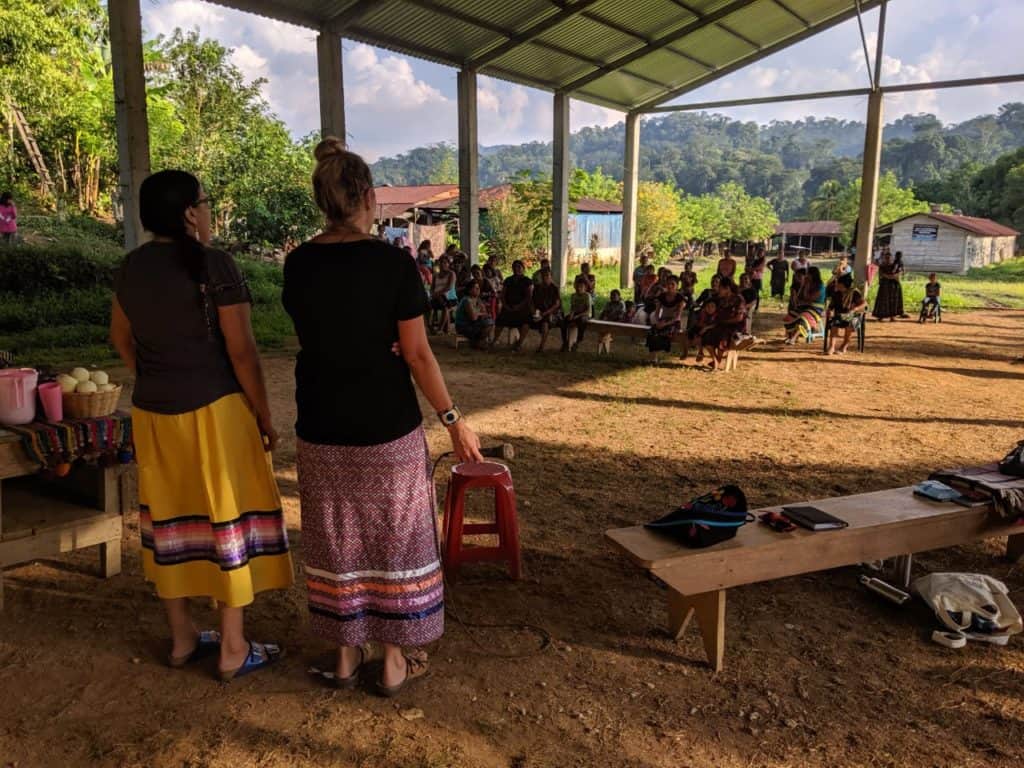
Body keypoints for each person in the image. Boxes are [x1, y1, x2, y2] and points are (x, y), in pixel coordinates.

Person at [283, 139, 483, 697]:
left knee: (335, 539)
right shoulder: (393, 263)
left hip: (320, 422)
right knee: (395, 538)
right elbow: (417, 353)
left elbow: (319, 335)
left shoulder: (299, 263)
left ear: (323, 199)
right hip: (384, 426)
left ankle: (345, 658)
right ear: (369, 197)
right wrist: (454, 419)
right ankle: (394, 662)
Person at [109, 170, 293, 680]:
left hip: (154, 413)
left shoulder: (131, 268)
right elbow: (242, 352)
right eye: (205, 203)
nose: (208, 211)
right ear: (191, 213)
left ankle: (182, 637)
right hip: (217, 413)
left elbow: (120, 337)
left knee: (169, 520)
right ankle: (233, 645)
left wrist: (156, 376)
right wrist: (263, 415)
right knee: (224, 520)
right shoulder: (216, 265)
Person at [700, 277, 747, 370]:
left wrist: (724, 322)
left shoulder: (738, 299)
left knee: (723, 336)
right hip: (721, 325)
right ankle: (716, 359)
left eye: (720, 288)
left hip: (735, 327)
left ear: (727, 289)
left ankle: (718, 359)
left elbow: (739, 318)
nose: (718, 290)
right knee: (705, 334)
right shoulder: (720, 299)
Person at [495, 260, 533, 351]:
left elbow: (529, 297)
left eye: (519, 267)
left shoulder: (527, 281)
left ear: (523, 269)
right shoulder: (508, 280)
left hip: (522, 308)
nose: (516, 269)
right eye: (514, 267)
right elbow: (503, 295)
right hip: (509, 307)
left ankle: (519, 343)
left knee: (526, 322)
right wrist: (506, 306)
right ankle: (494, 340)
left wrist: (519, 306)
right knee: (500, 319)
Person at [825, 273, 867, 355]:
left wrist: (855, 309)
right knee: (834, 324)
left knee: (850, 324)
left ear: (843, 284)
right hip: (840, 315)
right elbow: (831, 306)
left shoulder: (854, 292)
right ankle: (831, 347)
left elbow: (864, 304)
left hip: (853, 316)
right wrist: (829, 310)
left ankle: (844, 346)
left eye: (838, 283)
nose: (836, 285)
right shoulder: (836, 294)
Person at [783, 266, 826, 343]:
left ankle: (794, 337)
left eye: (807, 274)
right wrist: (803, 285)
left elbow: (810, 298)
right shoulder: (805, 283)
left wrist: (806, 286)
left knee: (803, 318)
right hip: (804, 307)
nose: (806, 275)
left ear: (812, 275)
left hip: (815, 308)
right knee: (788, 317)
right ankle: (790, 336)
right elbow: (798, 298)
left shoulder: (820, 286)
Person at [646, 275, 685, 357]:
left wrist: (665, 324)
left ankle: (662, 349)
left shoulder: (680, 298)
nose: (670, 286)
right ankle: (653, 356)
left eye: (672, 284)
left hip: (674, 322)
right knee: (652, 331)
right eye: (668, 284)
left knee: (664, 333)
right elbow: (656, 313)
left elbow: (677, 317)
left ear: (677, 286)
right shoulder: (662, 296)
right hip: (662, 320)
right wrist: (657, 322)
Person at [530, 268, 563, 352]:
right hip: (539, 312)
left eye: (547, 276)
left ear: (551, 277)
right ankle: (519, 343)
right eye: (543, 276)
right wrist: (534, 312)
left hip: (552, 313)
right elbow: (532, 302)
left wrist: (543, 314)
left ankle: (541, 346)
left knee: (545, 322)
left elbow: (556, 305)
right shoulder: (537, 288)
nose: (545, 278)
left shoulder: (554, 288)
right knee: (525, 320)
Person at [455, 280, 495, 349]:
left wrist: (479, 314)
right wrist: (480, 314)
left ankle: (477, 341)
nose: (478, 290)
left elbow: (485, 313)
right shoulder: (466, 300)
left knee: (490, 321)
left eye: (478, 288)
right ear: (469, 290)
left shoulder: (478, 299)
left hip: (472, 324)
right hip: (463, 326)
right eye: (476, 288)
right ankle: (477, 342)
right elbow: (473, 317)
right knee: (488, 322)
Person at [872, 250, 903, 321]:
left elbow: (898, 274)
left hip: (894, 285)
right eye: (886, 257)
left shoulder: (895, 265)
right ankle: (881, 316)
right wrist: (889, 277)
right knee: (883, 301)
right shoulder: (882, 266)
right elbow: (881, 275)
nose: (887, 259)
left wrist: (889, 276)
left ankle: (892, 316)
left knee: (893, 301)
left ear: (891, 258)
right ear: (884, 258)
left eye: (889, 257)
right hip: (884, 285)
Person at [429, 255, 457, 334]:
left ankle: (440, 329)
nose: (443, 264)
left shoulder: (451, 274)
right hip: (437, 297)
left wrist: (437, 293)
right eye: (441, 262)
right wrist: (432, 294)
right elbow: (432, 288)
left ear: (448, 264)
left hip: (450, 298)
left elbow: (449, 287)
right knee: (427, 306)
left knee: (445, 306)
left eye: (445, 262)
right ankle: (431, 327)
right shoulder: (436, 275)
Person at [563, 277, 592, 352]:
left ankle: (578, 341)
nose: (579, 288)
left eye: (581, 287)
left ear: (585, 288)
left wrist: (578, 316)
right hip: (576, 313)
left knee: (581, 321)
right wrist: (571, 315)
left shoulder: (587, 296)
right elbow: (573, 307)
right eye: (578, 286)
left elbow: (588, 310)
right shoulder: (573, 296)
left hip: (585, 314)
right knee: (564, 320)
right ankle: (565, 341)